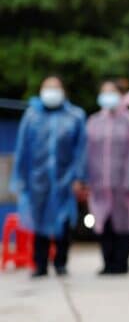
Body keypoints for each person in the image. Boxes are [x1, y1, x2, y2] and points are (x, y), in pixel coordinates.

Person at [10, 76, 88, 277]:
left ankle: (61, 263)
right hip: (37, 180)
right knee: (38, 222)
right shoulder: (32, 115)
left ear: (63, 91)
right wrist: (20, 177)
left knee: (63, 222)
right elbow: (22, 149)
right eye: (47, 87)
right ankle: (40, 264)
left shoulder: (75, 116)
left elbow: (81, 150)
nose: (51, 91)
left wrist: (80, 177)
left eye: (55, 87)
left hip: (65, 179)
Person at [85, 78, 129, 275]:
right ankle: (107, 262)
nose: (107, 96)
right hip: (99, 184)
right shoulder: (95, 121)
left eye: (111, 91)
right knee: (103, 222)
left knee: (124, 223)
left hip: (123, 183)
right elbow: (87, 152)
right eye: (104, 92)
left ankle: (121, 263)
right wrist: (86, 179)